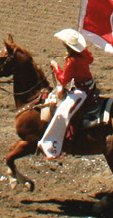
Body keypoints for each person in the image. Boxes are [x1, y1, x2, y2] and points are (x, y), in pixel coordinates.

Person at [39, 29, 97, 160]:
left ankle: (54, 148)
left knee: (62, 113)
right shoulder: (84, 54)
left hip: (82, 91)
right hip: (90, 85)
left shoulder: (72, 61)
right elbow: (91, 59)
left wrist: (55, 67)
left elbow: (64, 80)